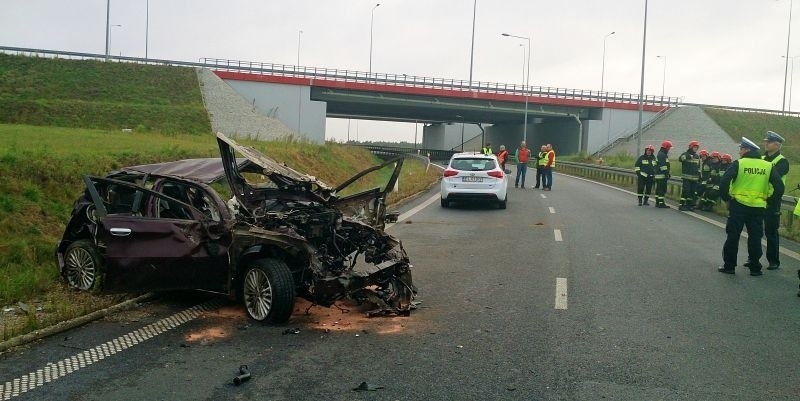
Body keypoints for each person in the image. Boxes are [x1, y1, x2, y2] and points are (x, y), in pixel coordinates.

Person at [718, 137, 784, 276]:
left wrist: (727, 199)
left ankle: (729, 266)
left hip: (738, 206)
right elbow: (779, 186)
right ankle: (755, 267)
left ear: (747, 150)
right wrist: (770, 201)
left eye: (741, 149)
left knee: (733, 236)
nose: (739, 152)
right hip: (758, 207)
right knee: (755, 237)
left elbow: (724, 182)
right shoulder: (767, 165)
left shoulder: (739, 163)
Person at [760, 131, 789, 270]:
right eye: (765, 141)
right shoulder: (761, 158)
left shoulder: (782, 161)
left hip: (772, 201)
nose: (765, 143)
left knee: (771, 232)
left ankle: (773, 260)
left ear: (777, 145)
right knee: (755, 231)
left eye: (769, 142)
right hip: (758, 200)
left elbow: (771, 178)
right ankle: (753, 258)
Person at [678, 140, 702, 211]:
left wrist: (700, 176)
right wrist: (688, 156)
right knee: (686, 191)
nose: (696, 149)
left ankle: (689, 205)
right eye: (694, 147)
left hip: (695, 178)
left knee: (692, 192)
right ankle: (681, 205)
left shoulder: (697, 156)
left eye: (697, 147)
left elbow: (698, 167)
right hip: (686, 178)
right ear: (691, 147)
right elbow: (680, 159)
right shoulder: (685, 154)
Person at [654, 140, 672, 208]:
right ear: (666, 147)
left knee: (659, 189)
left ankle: (658, 202)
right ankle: (661, 203)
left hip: (660, 175)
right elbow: (663, 166)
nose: (669, 149)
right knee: (662, 189)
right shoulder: (662, 155)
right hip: (661, 175)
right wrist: (667, 173)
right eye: (669, 148)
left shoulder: (661, 154)